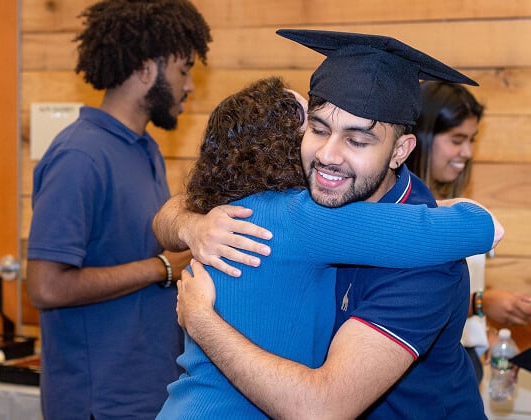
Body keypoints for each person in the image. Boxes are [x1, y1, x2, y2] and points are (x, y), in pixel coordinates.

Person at [153, 29, 504, 418]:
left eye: (357, 141)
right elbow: (170, 212)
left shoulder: (426, 262)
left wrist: (202, 321)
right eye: (318, 130)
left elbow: (320, 409)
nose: (328, 155)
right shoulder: (305, 195)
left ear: (399, 152)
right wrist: (192, 226)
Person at [25, 1, 211, 418]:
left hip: (149, 392)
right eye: (183, 70)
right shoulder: (79, 155)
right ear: (147, 69)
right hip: (98, 402)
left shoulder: (145, 149)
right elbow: (46, 286)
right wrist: (162, 267)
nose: (190, 86)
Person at [407, 80, 531, 382]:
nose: (468, 152)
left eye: (472, 139)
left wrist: (485, 336)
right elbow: (416, 300)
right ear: (420, 138)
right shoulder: (404, 216)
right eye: (457, 139)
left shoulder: (454, 209)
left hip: (459, 365)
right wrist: (480, 303)